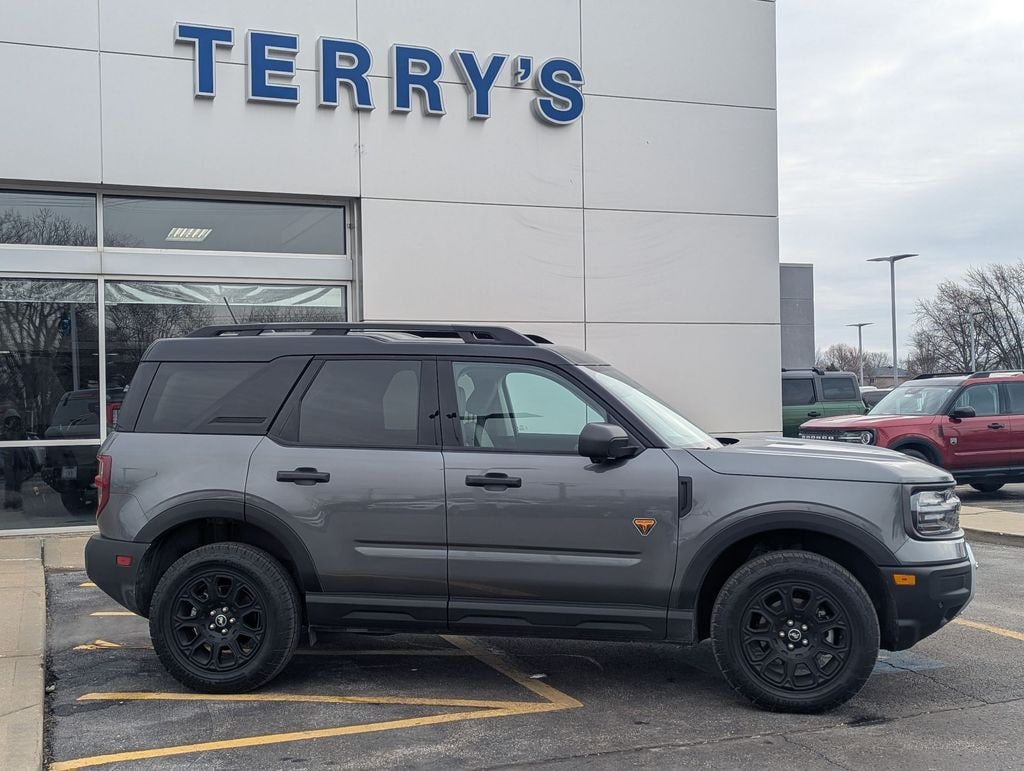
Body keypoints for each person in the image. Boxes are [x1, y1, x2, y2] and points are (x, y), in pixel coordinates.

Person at [1, 408, 36, 511]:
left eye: (14, 420)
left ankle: (16, 502)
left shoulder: (21, 431)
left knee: (17, 482)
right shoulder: (4, 431)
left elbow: (24, 445)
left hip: (19, 460)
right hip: (9, 460)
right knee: (9, 482)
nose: (13, 422)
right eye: (11, 420)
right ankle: (9, 502)